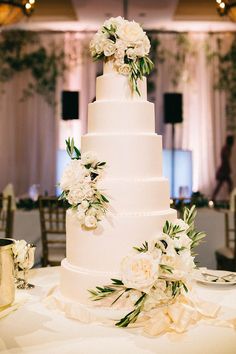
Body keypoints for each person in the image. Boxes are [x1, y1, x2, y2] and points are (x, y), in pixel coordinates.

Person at [212, 135, 234, 201]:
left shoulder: (227, 148)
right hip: (224, 170)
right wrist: (229, 168)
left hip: (224, 170)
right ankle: (231, 198)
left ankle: (230, 198)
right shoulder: (226, 148)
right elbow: (226, 159)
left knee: (225, 184)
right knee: (226, 184)